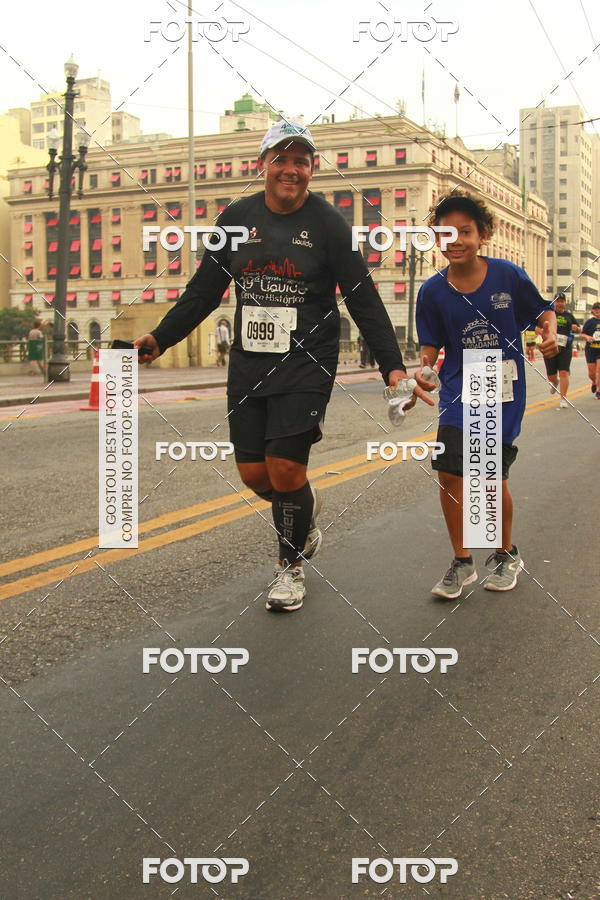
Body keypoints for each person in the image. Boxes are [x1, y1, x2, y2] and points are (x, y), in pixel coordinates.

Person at [134, 120, 432, 612]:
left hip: (306, 365)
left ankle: (289, 568)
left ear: (312, 169)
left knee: (287, 468)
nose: (290, 169)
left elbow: (363, 298)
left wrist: (392, 368)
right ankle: (302, 516)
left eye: (301, 161)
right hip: (250, 365)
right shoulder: (236, 218)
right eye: (281, 159)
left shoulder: (329, 225)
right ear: (263, 165)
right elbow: (204, 291)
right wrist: (160, 338)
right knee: (255, 474)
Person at [414, 190, 557, 599]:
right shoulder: (432, 290)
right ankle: (462, 562)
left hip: (502, 387)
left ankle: (505, 554)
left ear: (483, 235)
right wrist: (423, 372)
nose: (456, 240)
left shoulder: (507, 275)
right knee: (449, 473)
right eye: (447, 233)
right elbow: (430, 345)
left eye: (466, 231)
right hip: (459, 388)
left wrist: (548, 331)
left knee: (487, 477)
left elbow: (543, 311)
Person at [537, 292, 580, 408]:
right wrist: (543, 332)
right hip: (550, 346)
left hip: (565, 348)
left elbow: (579, 329)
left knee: (564, 372)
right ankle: (555, 381)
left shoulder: (569, 316)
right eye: (557, 301)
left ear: (565, 303)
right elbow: (537, 327)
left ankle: (563, 398)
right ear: (554, 302)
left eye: (562, 301)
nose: (560, 303)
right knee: (551, 375)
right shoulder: (548, 314)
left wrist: (576, 328)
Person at [580, 301, 600, 398]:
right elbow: (582, 334)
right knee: (591, 373)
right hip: (590, 350)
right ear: (592, 311)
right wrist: (587, 337)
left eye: (599, 309)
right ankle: (594, 382)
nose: (597, 311)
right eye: (595, 309)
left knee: (599, 370)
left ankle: (598, 391)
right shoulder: (589, 322)